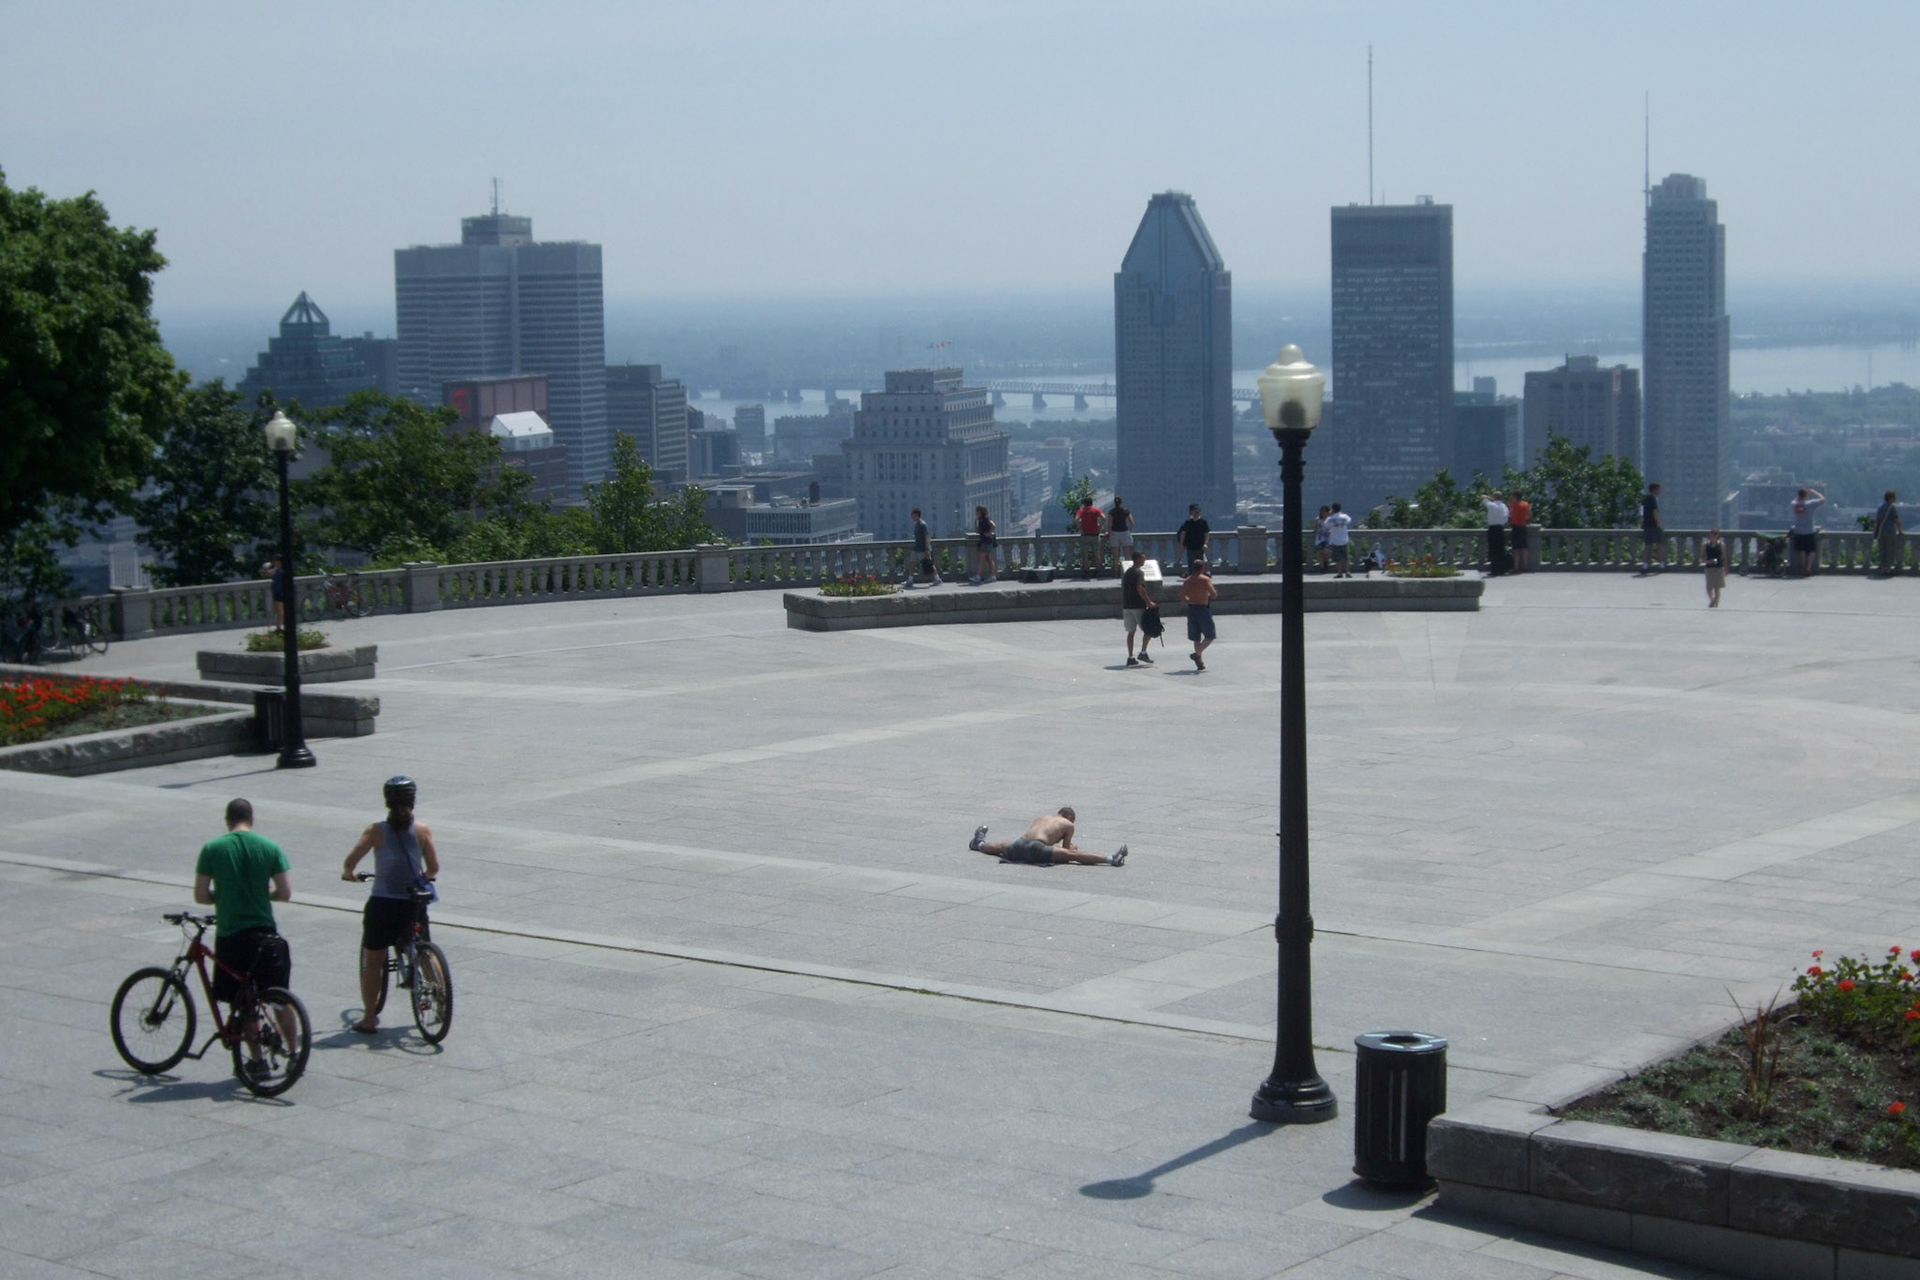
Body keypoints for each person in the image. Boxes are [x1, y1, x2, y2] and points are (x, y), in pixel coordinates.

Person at [193, 798, 293, 1080]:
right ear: (252, 819)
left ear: (227, 819)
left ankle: (257, 1060)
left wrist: (223, 898)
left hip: (231, 937)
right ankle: (295, 1052)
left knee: (244, 1000)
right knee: (278, 997)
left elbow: (201, 895)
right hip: (265, 935)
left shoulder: (213, 848)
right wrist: (264, 894)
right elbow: (285, 893)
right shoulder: (270, 847)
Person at [341, 776, 441, 1035]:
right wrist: (423, 879)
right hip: (413, 904)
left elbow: (350, 862)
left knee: (374, 961)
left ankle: (370, 1019)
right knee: (424, 952)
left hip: (382, 904)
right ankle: (441, 999)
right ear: (413, 800)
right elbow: (433, 868)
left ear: (387, 801)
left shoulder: (376, 831)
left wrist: (350, 873)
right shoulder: (423, 830)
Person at [969, 808, 1126, 866]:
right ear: (1070, 817)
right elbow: (1066, 852)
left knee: (1002, 846)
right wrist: (1071, 847)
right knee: (1074, 854)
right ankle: (1111, 859)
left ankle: (980, 844)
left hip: (1020, 843)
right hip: (1037, 848)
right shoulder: (1068, 824)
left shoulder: (1042, 817)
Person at [1181, 557, 1217, 671]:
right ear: (1202, 568)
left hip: (1192, 608)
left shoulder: (1187, 580)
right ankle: (1197, 654)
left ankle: (1199, 662)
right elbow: (1214, 594)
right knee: (1210, 635)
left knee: (1196, 637)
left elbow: (1182, 596)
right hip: (1203, 608)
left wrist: (1190, 600)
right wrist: (1207, 596)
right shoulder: (1205, 579)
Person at [1121, 548, 1154, 666]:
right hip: (1137, 605)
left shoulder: (1127, 572)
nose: (1144, 560)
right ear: (1137, 559)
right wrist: (1148, 601)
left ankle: (1130, 656)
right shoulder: (1139, 572)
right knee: (1149, 629)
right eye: (1142, 558)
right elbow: (1140, 588)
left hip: (1127, 605)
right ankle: (1143, 652)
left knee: (1131, 632)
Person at [1789, 487, 1825, 576]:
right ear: (1806, 495)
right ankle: (1808, 568)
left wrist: (1800, 496)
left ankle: (1803, 567)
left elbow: (1794, 500)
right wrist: (1814, 491)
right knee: (1811, 550)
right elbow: (1823, 499)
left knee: (1802, 550)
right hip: (1809, 530)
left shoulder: (1795, 504)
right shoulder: (1810, 504)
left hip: (1798, 530)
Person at [904, 507, 941, 589]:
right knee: (912, 563)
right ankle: (910, 580)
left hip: (922, 549)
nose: (911, 516)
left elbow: (926, 537)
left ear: (917, 515)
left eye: (913, 514)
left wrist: (927, 549)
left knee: (928, 564)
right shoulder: (916, 524)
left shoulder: (922, 525)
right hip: (916, 548)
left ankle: (937, 579)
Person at [1873, 490, 1904, 576]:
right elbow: (1897, 521)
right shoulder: (1892, 508)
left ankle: (1883, 567)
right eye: (1894, 498)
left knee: (1883, 550)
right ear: (1891, 499)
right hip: (1890, 531)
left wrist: (1875, 531)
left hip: (1881, 532)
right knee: (1890, 550)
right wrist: (1900, 531)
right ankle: (1888, 568)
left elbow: (1877, 521)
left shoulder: (1880, 508)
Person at [1479, 491, 1510, 577]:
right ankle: (1501, 569)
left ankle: (1494, 569)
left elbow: (1483, 497)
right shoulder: (1504, 506)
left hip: (1493, 528)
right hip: (1500, 528)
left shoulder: (1491, 505)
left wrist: (1489, 497)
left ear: (1494, 497)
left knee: (1493, 549)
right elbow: (1506, 517)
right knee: (1501, 549)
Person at [1075, 496, 1107, 578]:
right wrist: (1100, 527)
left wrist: (1080, 528)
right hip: (1095, 535)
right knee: (1096, 554)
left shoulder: (1081, 510)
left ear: (1084, 503)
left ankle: (1086, 571)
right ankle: (1098, 570)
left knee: (1085, 554)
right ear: (1092, 503)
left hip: (1085, 535)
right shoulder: (1096, 510)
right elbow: (1104, 518)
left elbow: (1076, 519)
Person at [1640, 483, 1666, 572]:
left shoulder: (1646, 499)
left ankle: (1645, 565)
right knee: (1659, 545)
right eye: (1658, 489)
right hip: (1654, 526)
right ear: (1654, 490)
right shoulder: (1653, 499)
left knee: (1648, 546)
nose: (1659, 491)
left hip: (1646, 525)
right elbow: (1655, 512)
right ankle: (1662, 565)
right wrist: (1659, 524)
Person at [1177, 504, 1211, 571]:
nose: (1197, 513)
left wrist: (1206, 543)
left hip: (1200, 546)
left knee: (1200, 563)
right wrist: (1181, 544)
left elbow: (1206, 533)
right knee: (1191, 563)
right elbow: (1183, 533)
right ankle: (1191, 575)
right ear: (1191, 512)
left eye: (1198, 512)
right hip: (1190, 546)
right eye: (1195, 512)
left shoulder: (1203, 522)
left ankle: (1201, 575)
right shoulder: (1188, 522)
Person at [1324, 503, 1353, 578]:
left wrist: (1329, 515)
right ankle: (1347, 572)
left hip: (1335, 540)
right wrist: (1342, 513)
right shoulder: (1345, 517)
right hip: (1344, 539)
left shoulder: (1330, 519)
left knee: (1337, 558)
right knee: (1346, 557)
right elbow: (1349, 520)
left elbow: (1326, 525)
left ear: (1332, 509)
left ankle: (1339, 573)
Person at [970, 504, 997, 586]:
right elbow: (977, 531)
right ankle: (993, 576)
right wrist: (975, 522)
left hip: (986, 542)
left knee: (981, 560)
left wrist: (989, 533)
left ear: (981, 512)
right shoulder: (981, 520)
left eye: (977, 512)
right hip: (986, 541)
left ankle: (978, 576)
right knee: (989, 559)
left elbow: (993, 525)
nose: (976, 513)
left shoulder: (985, 519)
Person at [1701, 527, 1728, 608]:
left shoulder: (1721, 545)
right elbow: (1702, 557)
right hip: (1709, 568)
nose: (1713, 535)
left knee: (1717, 587)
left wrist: (1726, 568)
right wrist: (1708, 561)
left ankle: (1716, 604)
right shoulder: (1705, 545)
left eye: (1715, 533)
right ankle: (1712, 600)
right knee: (1709, 587)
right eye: (1712, 533)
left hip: (1719, 567)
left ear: (1718, 535)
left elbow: (1724, 557)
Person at [1508, 490, 1533, 573]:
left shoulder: (1513, 505)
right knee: (1524, 548)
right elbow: (1529, 515)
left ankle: (1516, 566)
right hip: (1523, 527)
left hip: (1515, 527)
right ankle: (1525, 566)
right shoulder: (1526, 504)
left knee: (1516, 549)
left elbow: (1510, 514)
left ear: (1515, 497)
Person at [1108, 495, 1135, 568]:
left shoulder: (1111, 512)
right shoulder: (1126, 511)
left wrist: (1109, 532)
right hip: (1124, 532)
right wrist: (1129, 530)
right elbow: (1132, 522)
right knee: (1127, 553)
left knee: (1116, 554)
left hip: (1115, 533)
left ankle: (1116, 571)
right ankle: (1128, 570)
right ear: (1121, 503)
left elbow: (1110, 524)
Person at [1313, 506, 1332, 574]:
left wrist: (1330, 531)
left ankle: (1326, 563)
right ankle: (1321, 566)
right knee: (1320, 552)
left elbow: (1333, 528)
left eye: (1324, 511)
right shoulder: (1318, 519)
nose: (1323, 513)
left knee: (1326, 551)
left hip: (1327, 538)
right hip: (1320, 538)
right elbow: (1315, 528)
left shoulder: (1330, 520)